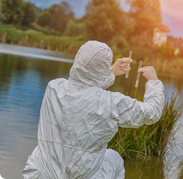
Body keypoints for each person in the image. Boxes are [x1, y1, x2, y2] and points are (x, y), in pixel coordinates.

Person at [22, 41, 165, 179]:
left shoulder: (53, 88)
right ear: (102, 69)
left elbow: (82, 90)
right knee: (114, 159)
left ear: (78, 59)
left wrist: (112, 72)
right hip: (83, 176)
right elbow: (152, 112)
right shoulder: (112, 103)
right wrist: (153, 81)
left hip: (40, 174)